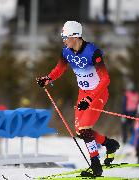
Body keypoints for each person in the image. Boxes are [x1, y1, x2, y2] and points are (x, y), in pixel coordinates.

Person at [36, 21, 120, 177]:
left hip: (97, 94)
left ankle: (96, 166)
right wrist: (48, 78)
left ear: (75, 36)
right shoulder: (66, 51)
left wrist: (90, 99)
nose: (63, 40)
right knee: (80, 131)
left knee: (84, 129)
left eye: (65, 36)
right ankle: (110, 144)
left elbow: (105, 79)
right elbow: (60, 68)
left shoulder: (92, 52)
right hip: (83, 93)